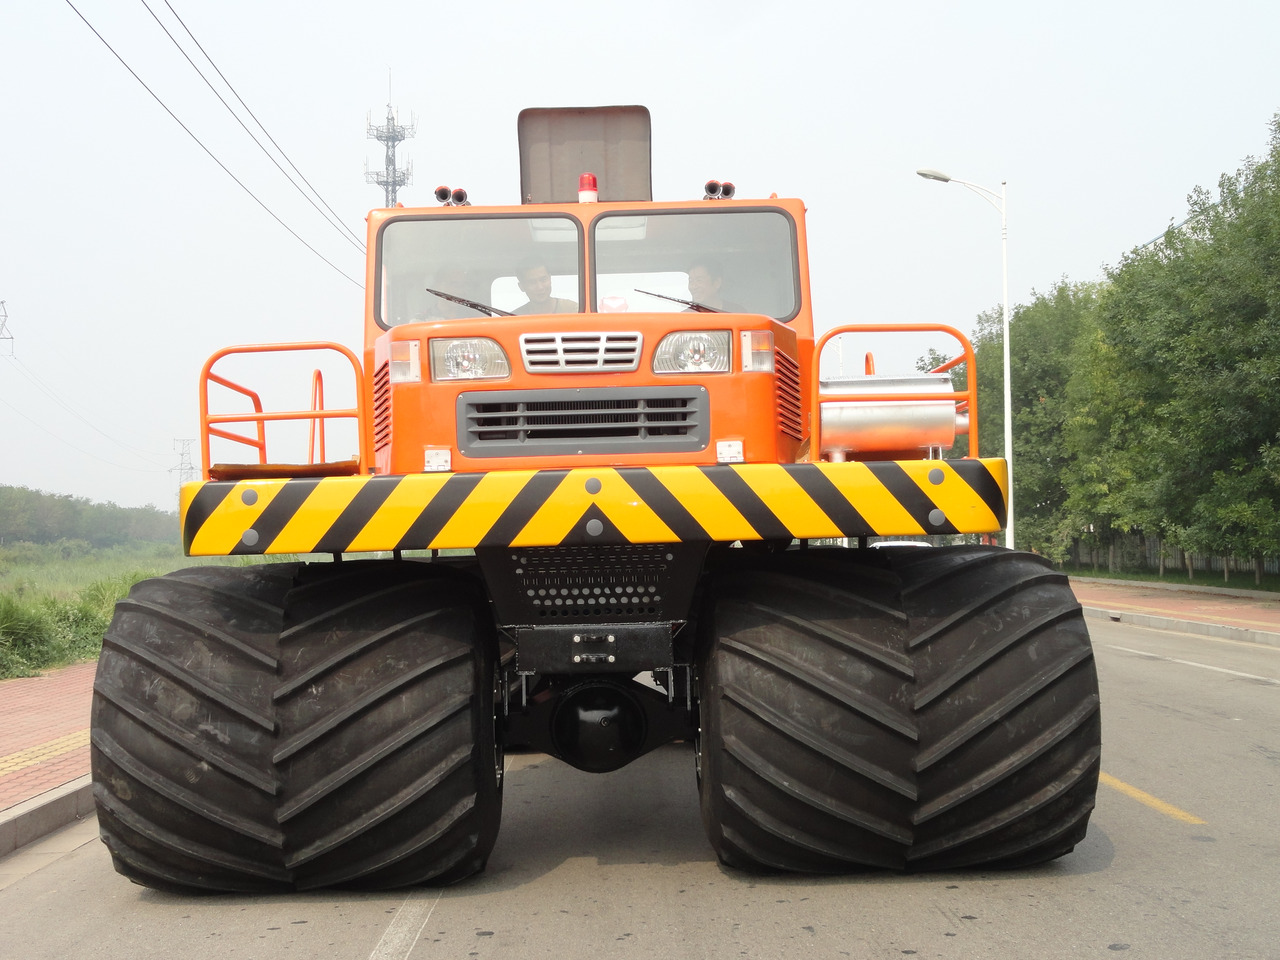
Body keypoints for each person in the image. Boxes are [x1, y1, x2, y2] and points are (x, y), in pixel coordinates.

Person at [512, 262, 577, 315]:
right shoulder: (514, 318)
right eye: (532, 282)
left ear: (550, 279)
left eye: (543, 280)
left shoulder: (573, 310)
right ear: (521, 287)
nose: (540, 287)